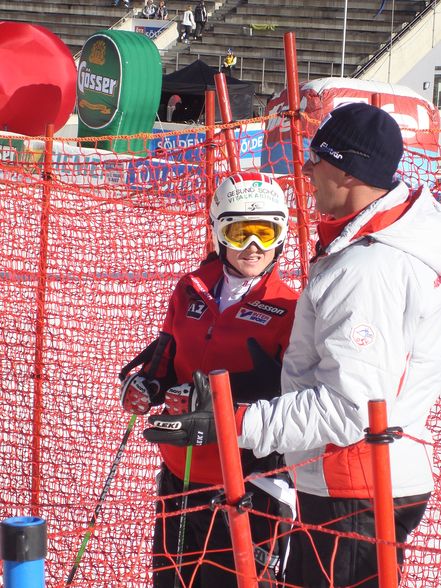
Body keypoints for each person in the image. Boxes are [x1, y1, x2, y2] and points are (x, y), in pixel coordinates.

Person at [144, 103, 441, 587]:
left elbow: (351, 407)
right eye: (240, 233)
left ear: (347, 169)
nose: (307, 170)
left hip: (353, 481)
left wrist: (230, 420)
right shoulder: (371, 245)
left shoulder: (368, 269)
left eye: (318, 159)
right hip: (340, 476)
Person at [122, 172, 299, 586]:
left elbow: (292, 397)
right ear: (219, 233)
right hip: (180, 470)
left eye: (265, 233)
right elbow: (167, 354)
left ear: (281, 235)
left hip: (246, 482)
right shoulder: (191, 288)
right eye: (239, 233)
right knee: (171, 580)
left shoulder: (288, 307)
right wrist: (147, 385)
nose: (253, 247)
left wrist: (212, 402)